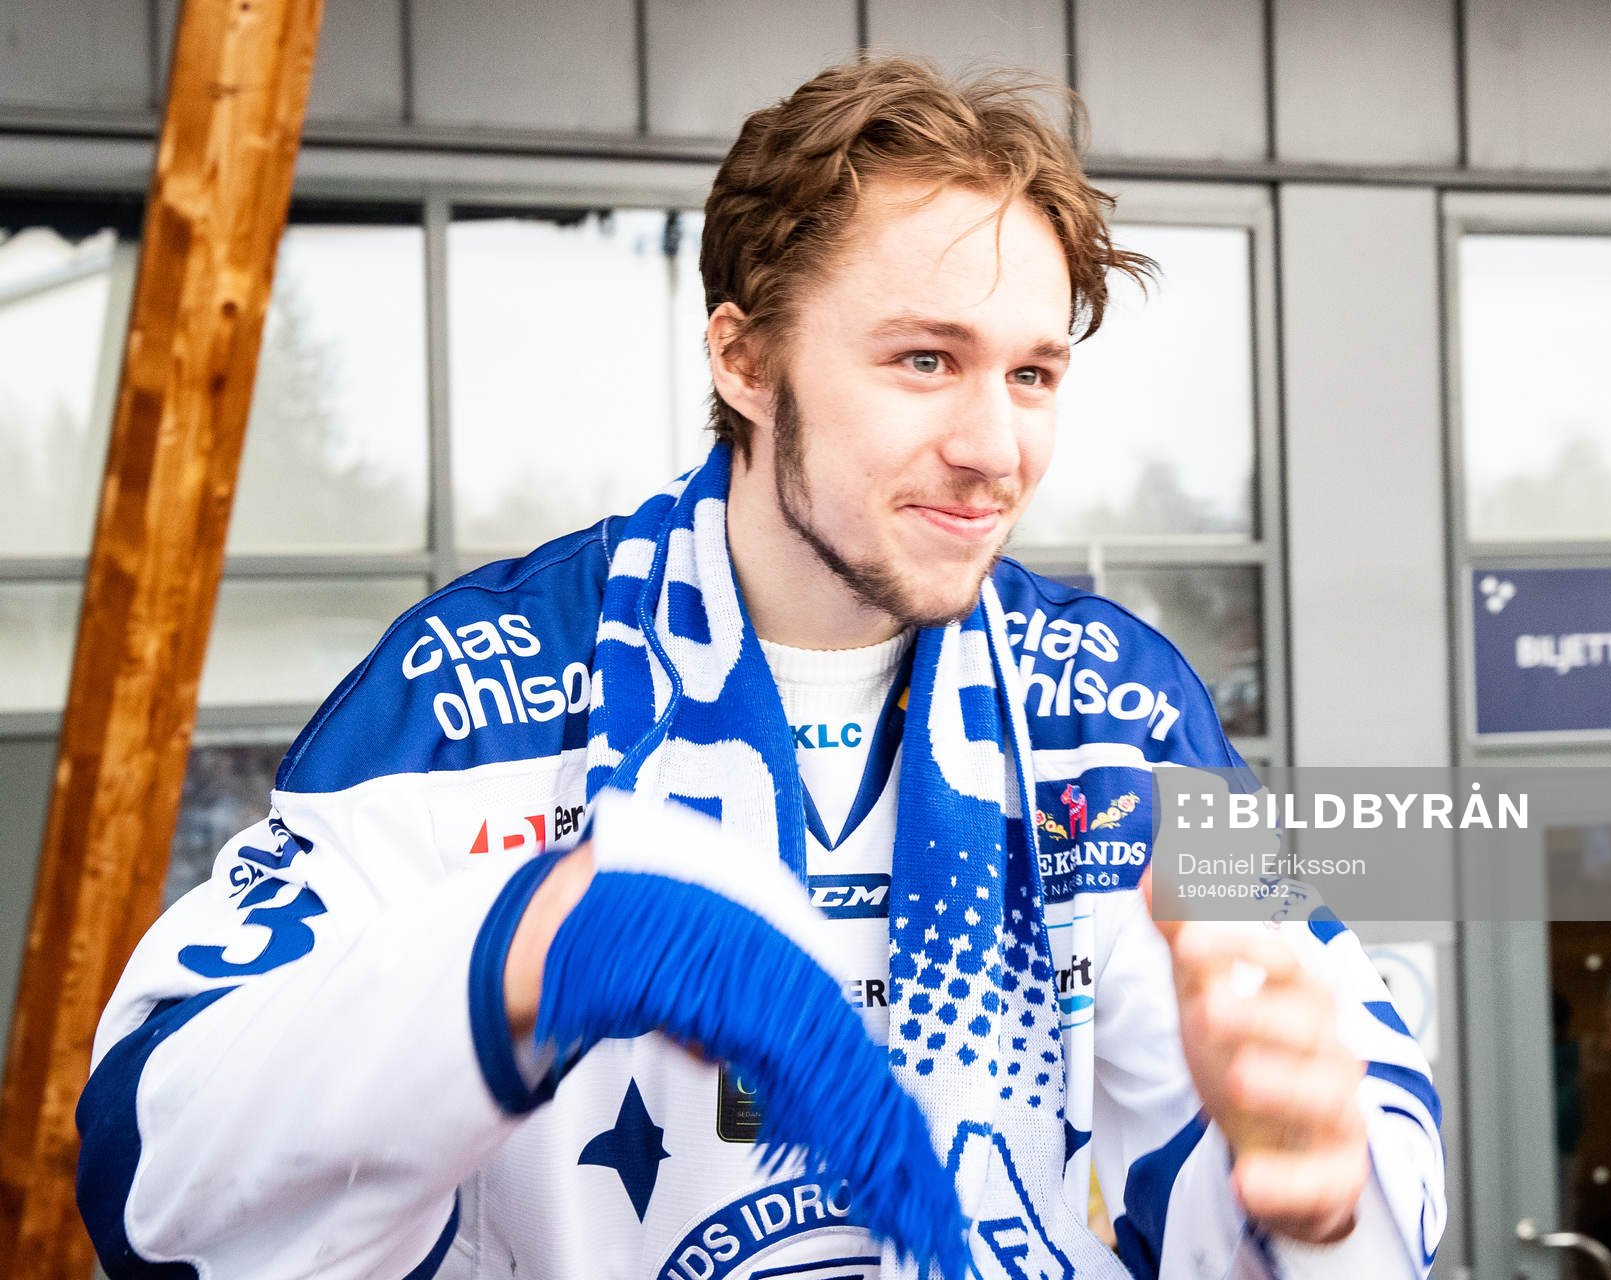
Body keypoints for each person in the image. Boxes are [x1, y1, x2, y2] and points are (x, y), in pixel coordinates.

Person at [76, 58, 1444, 1280]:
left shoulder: (1121, 710)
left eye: (1033, 375)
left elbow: (1318, 1083)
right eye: (925, 359)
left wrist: (1321, 1192)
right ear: (744, 358)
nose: (996, 448)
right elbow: (151, 1164)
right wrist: (525, 947)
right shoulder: (468, 690)